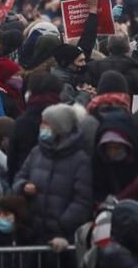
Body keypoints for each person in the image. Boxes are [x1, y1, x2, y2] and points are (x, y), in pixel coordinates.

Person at [13, 103, 92, 244]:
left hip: (61, 238)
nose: (42, 127)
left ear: (60, 127)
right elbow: (19, 177)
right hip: (33, 234)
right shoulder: (37, 152)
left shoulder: (80, 160)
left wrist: (61, 224)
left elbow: (82, 200)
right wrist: (23, 186)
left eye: (47, 124)